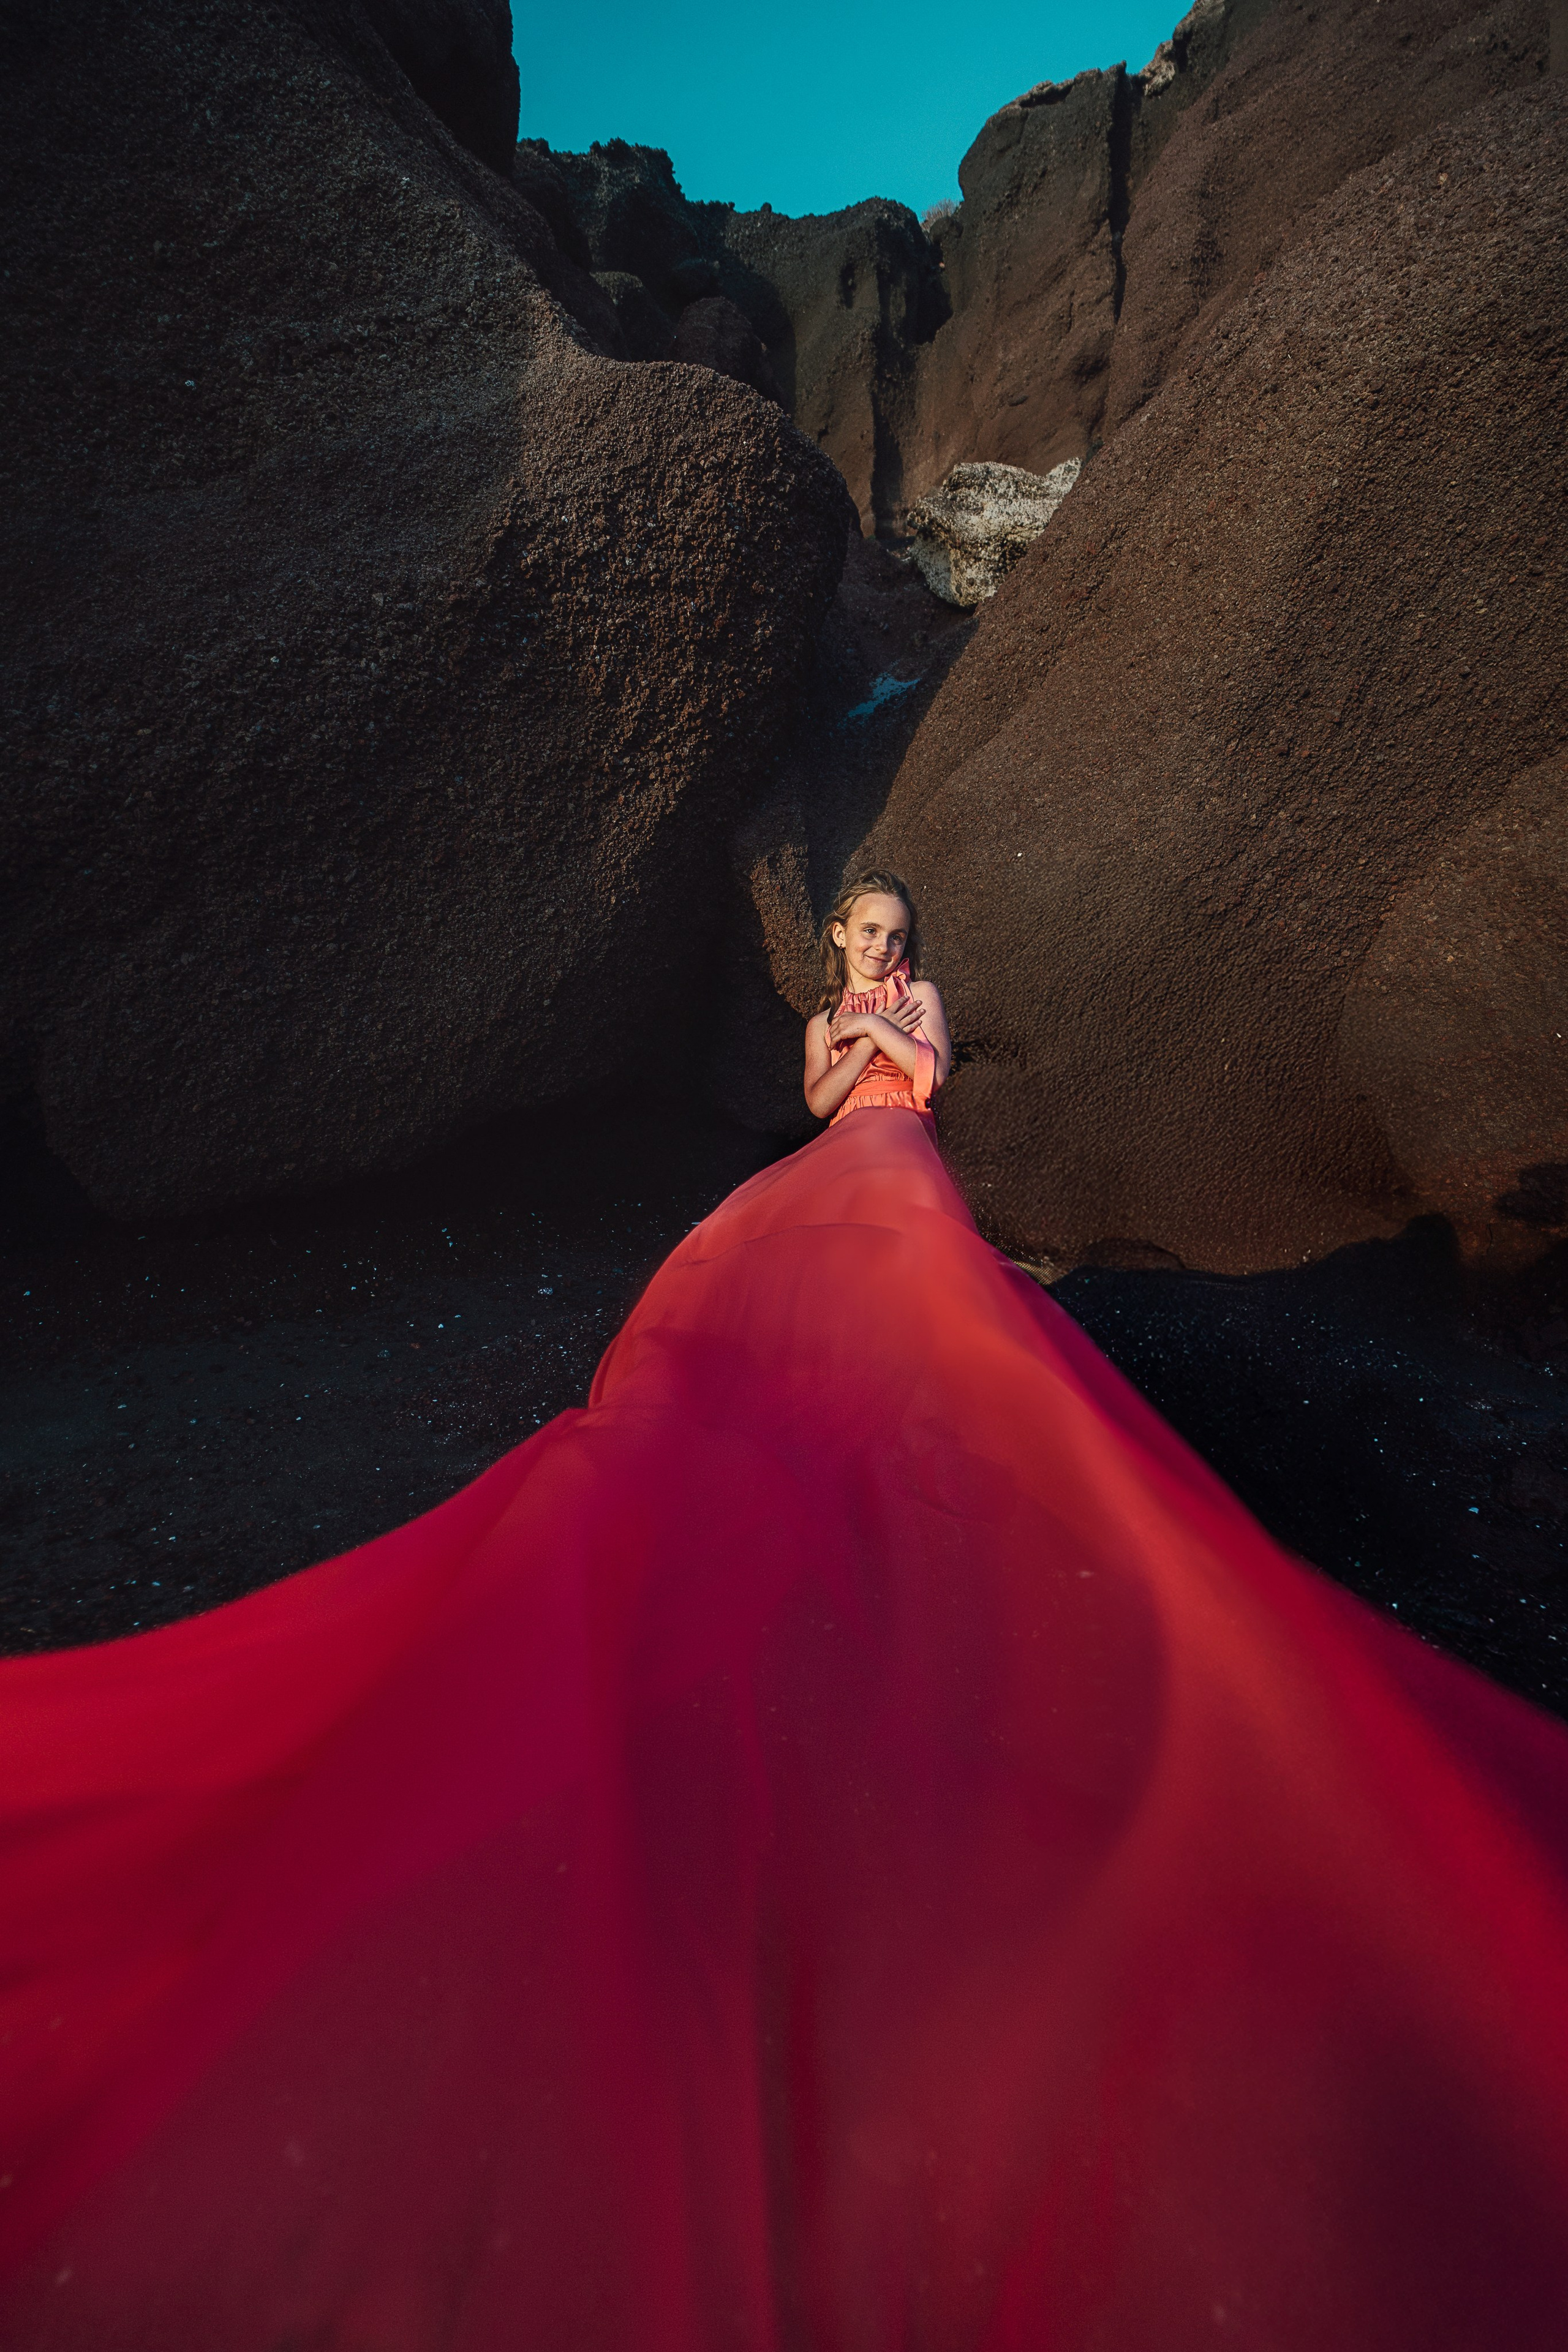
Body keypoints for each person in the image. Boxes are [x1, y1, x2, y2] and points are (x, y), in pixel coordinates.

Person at [3, 869, 1568, 2350]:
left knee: (929, 1301)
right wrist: (860, 1042)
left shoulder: (918, 1001)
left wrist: (896, 1034)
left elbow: (921, 1087)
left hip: (907, 1172)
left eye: (890, 934)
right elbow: (831, 1099)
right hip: (841, 1161)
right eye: (861, 937)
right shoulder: (831, 1026)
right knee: (782, 1285)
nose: (879, 955)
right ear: (831, 946)